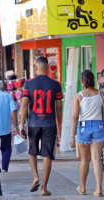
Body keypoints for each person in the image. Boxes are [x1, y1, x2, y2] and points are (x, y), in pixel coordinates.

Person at [20, 57, 63, 196]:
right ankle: (44, 187)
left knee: (32, 151)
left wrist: (21, 124)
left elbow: (25, 104)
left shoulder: (29, 83)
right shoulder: (55, 84)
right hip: (49, 124)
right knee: (47, 155)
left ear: (36, 68)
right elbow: (59, 106)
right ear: (47, 68)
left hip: (33, 123)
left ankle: (35, 177)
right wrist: (59, 124)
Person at [69, 70, 104, 197]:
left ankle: (82, 187)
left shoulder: (79, 96)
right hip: (98, 127)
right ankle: (98, 189)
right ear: (93, 80)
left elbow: (75, 117)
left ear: (82, 81)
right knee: (96, 160)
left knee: (85, 160)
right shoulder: (101, 94)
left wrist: (72, 137)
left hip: (83, 128)